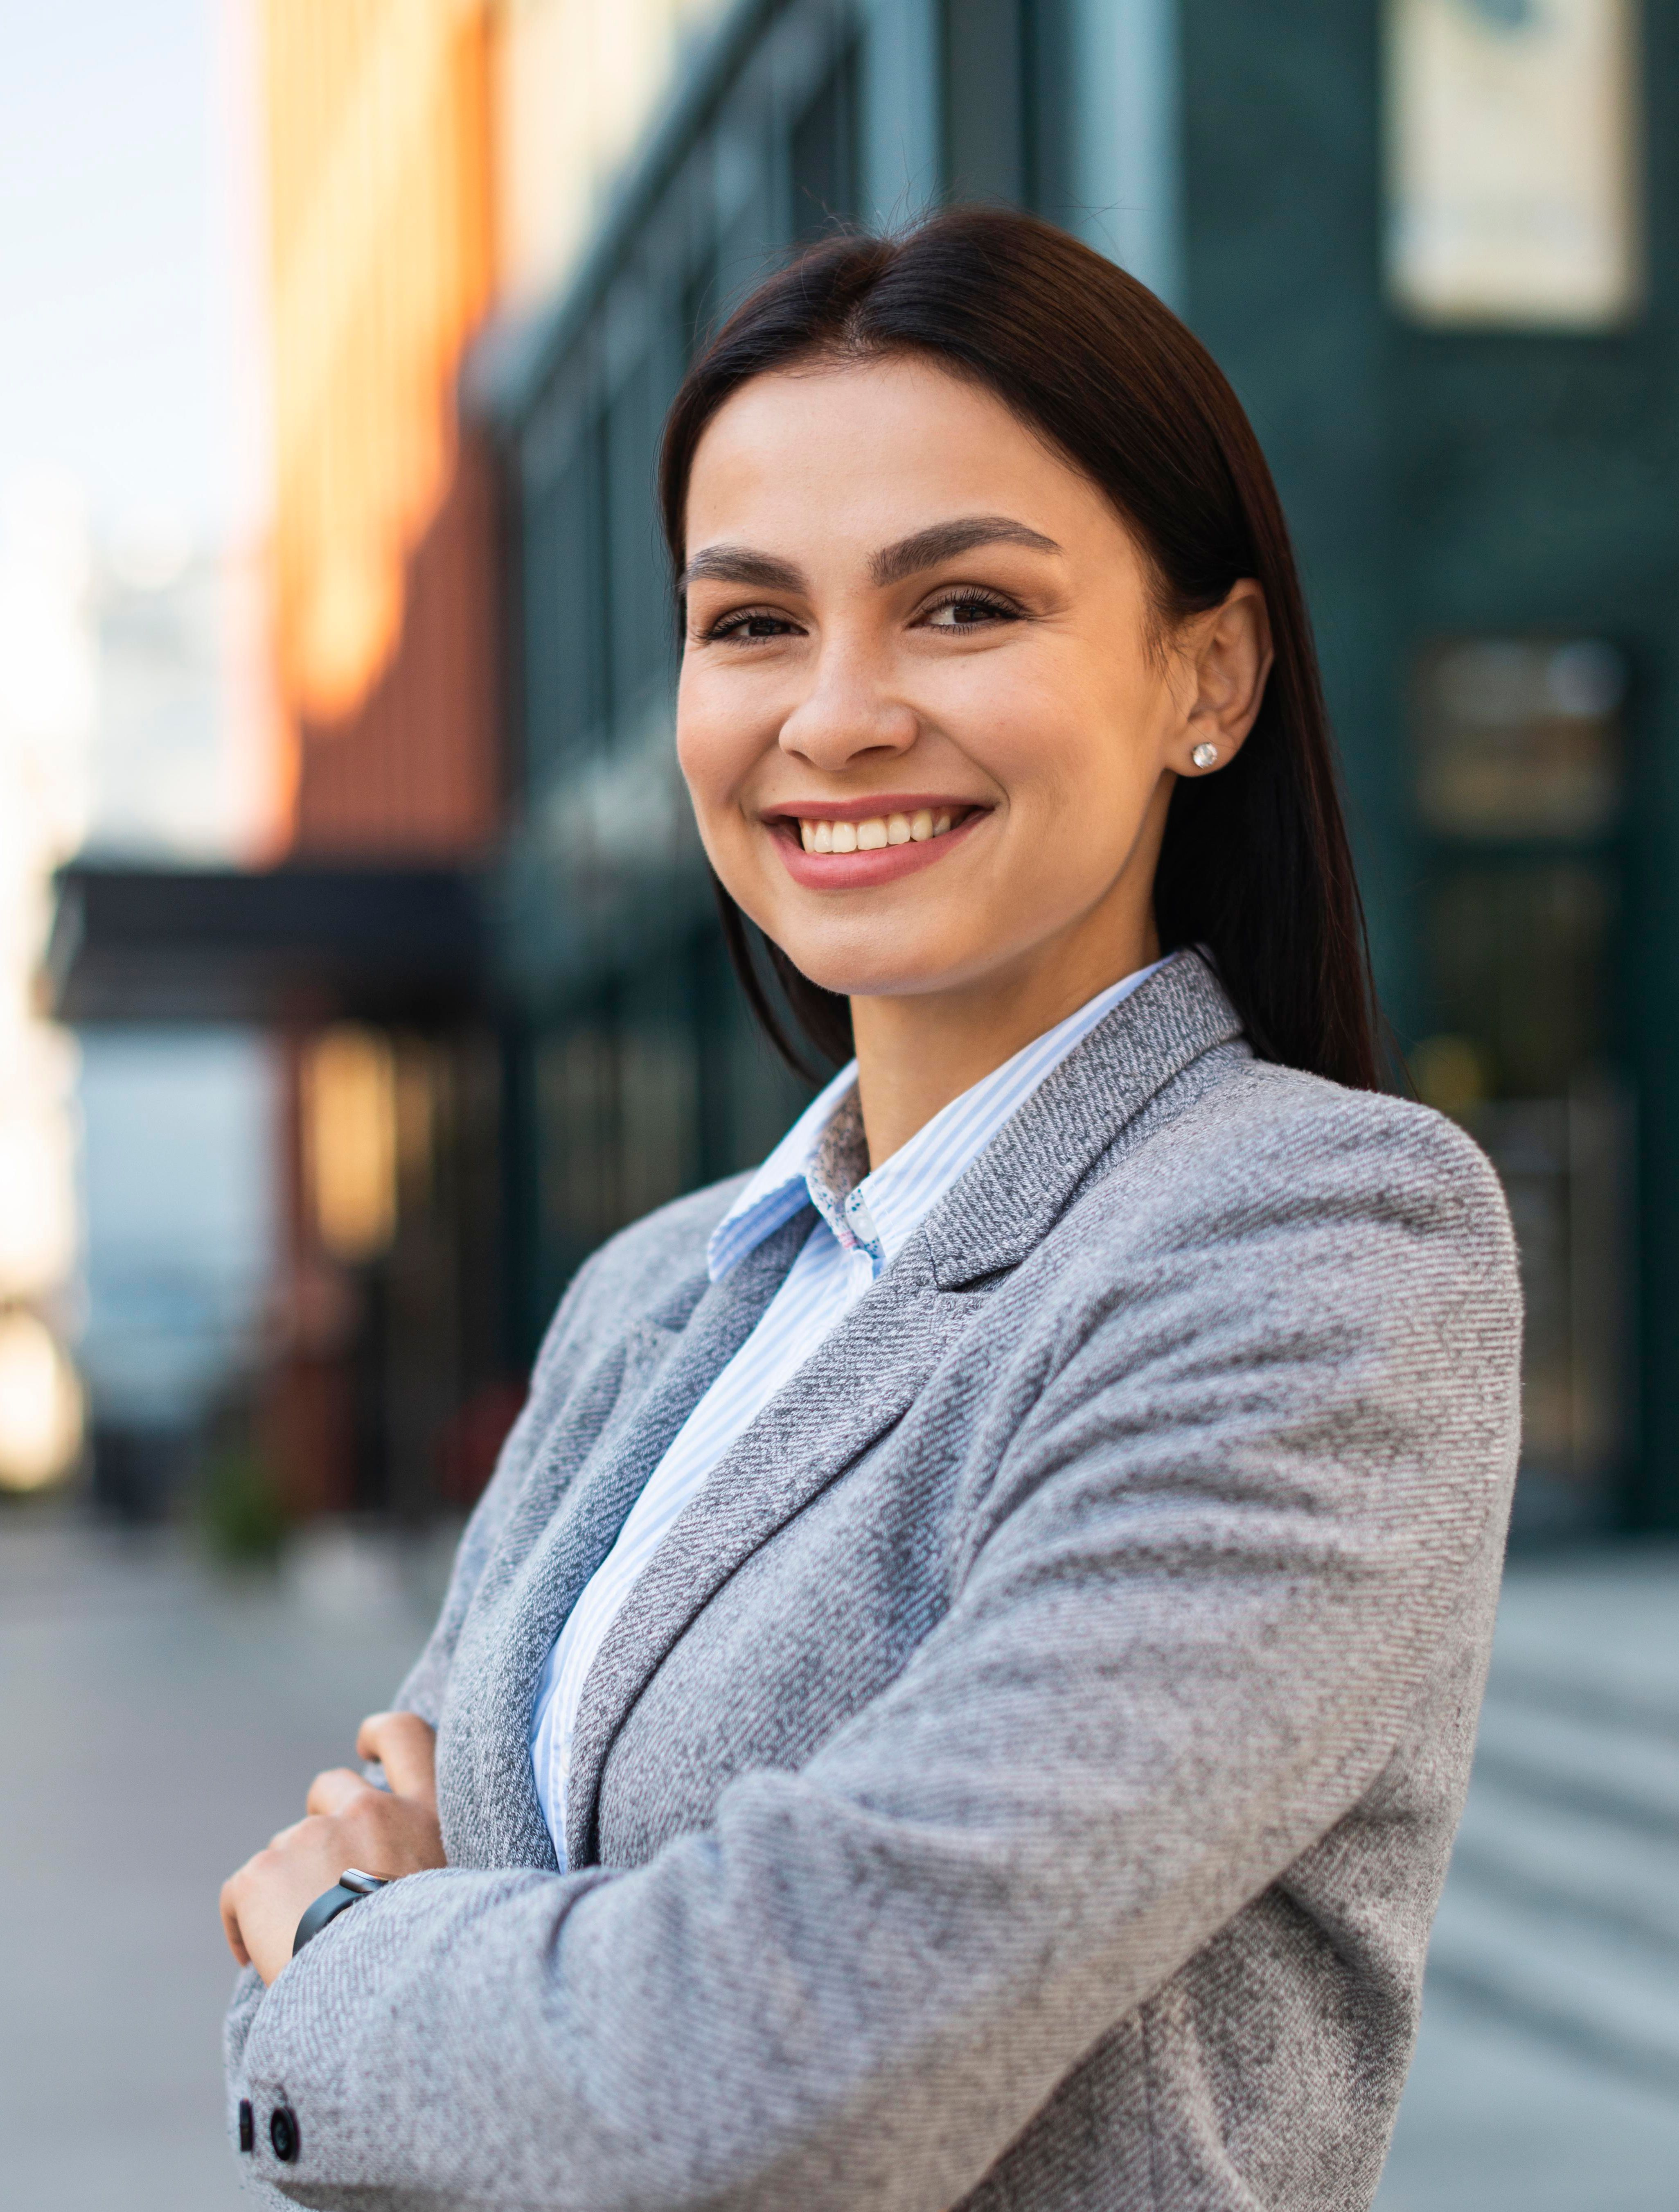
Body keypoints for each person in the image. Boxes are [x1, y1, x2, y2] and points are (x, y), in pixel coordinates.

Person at [220, 208, 1520, 2211]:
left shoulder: (1315, 1243)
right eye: (750, 622)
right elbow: (428, 1845)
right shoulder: (655, 1292)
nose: (832, 715)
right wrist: (473, 1973)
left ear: (1213, 671)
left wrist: (347, 1967)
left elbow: (786, 2057)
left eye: (965, 607)